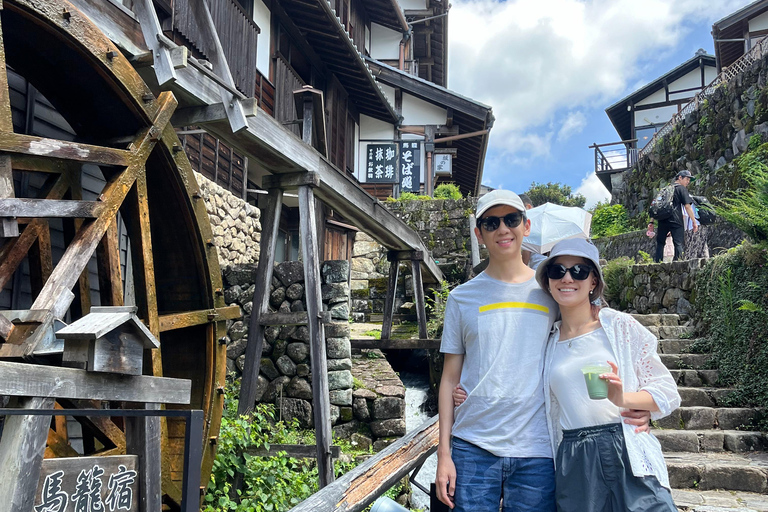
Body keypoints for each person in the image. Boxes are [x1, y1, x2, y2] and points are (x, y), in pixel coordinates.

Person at [436, 190, 651, 512]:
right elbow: (449, 378)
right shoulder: (462, 298)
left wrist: (635, 404)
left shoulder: (553, 290)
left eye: (511, 219)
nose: (503, 229)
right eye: (491, 223)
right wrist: (444, 454)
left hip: (538, 448)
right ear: (479, 233)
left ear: (526, 225)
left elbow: (588, 345)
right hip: (473, 443)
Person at [455, 238, 680, 511]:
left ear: (593, 281)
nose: (567, 278)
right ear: (548, 282)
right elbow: (512, 366)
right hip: (573, 455)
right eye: (557, 271)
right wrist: (467, 391)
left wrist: (626, 399)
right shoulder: (548, 339)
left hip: (623, 445)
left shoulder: (619, 326)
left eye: (579, 271)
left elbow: (667, 391)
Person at [654, 170, 698, 262]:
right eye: (687, 179)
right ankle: (679, 263)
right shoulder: (681, 189)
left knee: (660, 243)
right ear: (680, 177)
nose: (688, 182)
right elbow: (687, 206)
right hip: (675, 219)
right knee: (678, 242)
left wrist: (651, 221)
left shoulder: (665, 189)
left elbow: (656, 206)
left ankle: (657, 263)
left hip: (662, 219)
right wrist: (694, 221)